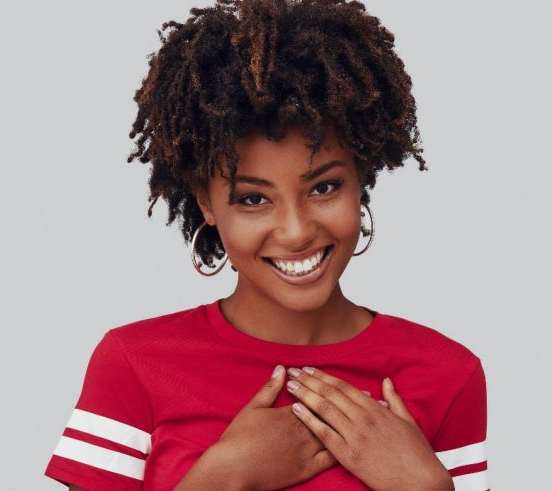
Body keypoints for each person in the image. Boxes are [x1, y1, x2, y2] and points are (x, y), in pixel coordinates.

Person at [44, 0, 489, 489]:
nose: (296, 231)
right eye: (253, 198)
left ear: (360, 180)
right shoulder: (132, 366)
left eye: (324, 188)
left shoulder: (447, 374)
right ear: (207, 205)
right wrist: (222, 477)